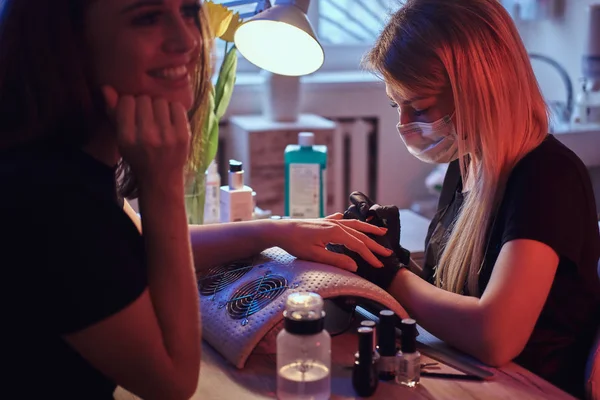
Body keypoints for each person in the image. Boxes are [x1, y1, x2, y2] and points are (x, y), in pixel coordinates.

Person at [0, 1, 392, 399]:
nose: (187, 39)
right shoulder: (50, 201)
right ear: (69, 46)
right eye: (147, 17)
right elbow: (171, 381)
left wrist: (276, 231)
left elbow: (133, 247)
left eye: (189, 11)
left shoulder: (61, 163)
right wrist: (163, 184)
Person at [360, 0, 600, 398]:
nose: (402, 125)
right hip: (471, 376)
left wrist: (392, 275)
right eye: (394, 105)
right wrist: (383, 254)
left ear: (478, 91)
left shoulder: (547, 176)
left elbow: (495, 336)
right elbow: (453, 299)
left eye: (417, 106)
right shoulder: (467, 164)